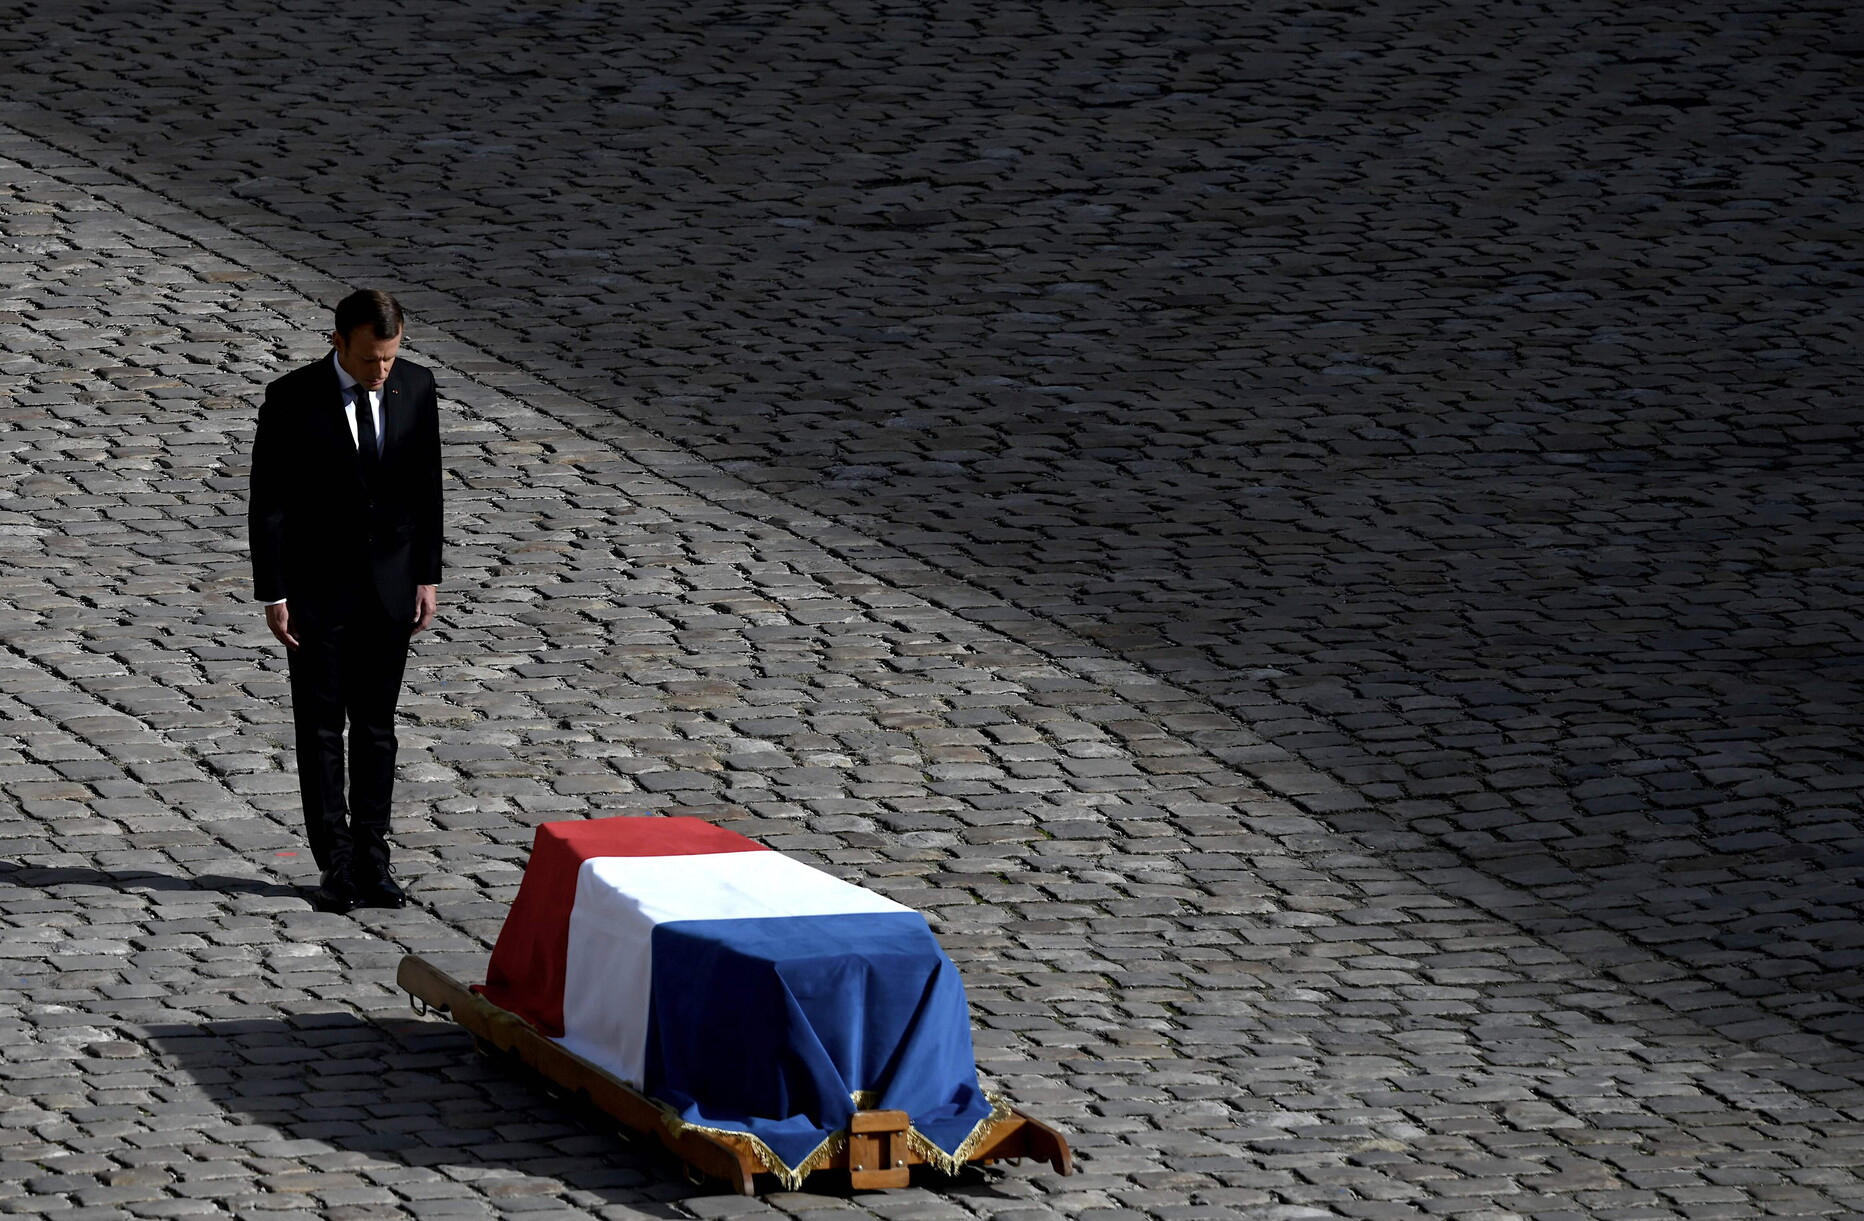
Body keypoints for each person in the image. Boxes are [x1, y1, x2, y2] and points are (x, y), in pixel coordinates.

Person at [248, 289, 442, 913]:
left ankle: (374, 859)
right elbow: (269, 502)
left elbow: (426, 488)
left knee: (378, 728)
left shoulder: (416, 388)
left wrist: (426, 576)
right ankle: (335, 863)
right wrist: (274, 591)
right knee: (323, 728)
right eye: (368, 360)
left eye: (389, 357)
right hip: (317, 592)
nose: (381, 371)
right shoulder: (292, 398)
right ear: (338, 343)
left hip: (390, 587)